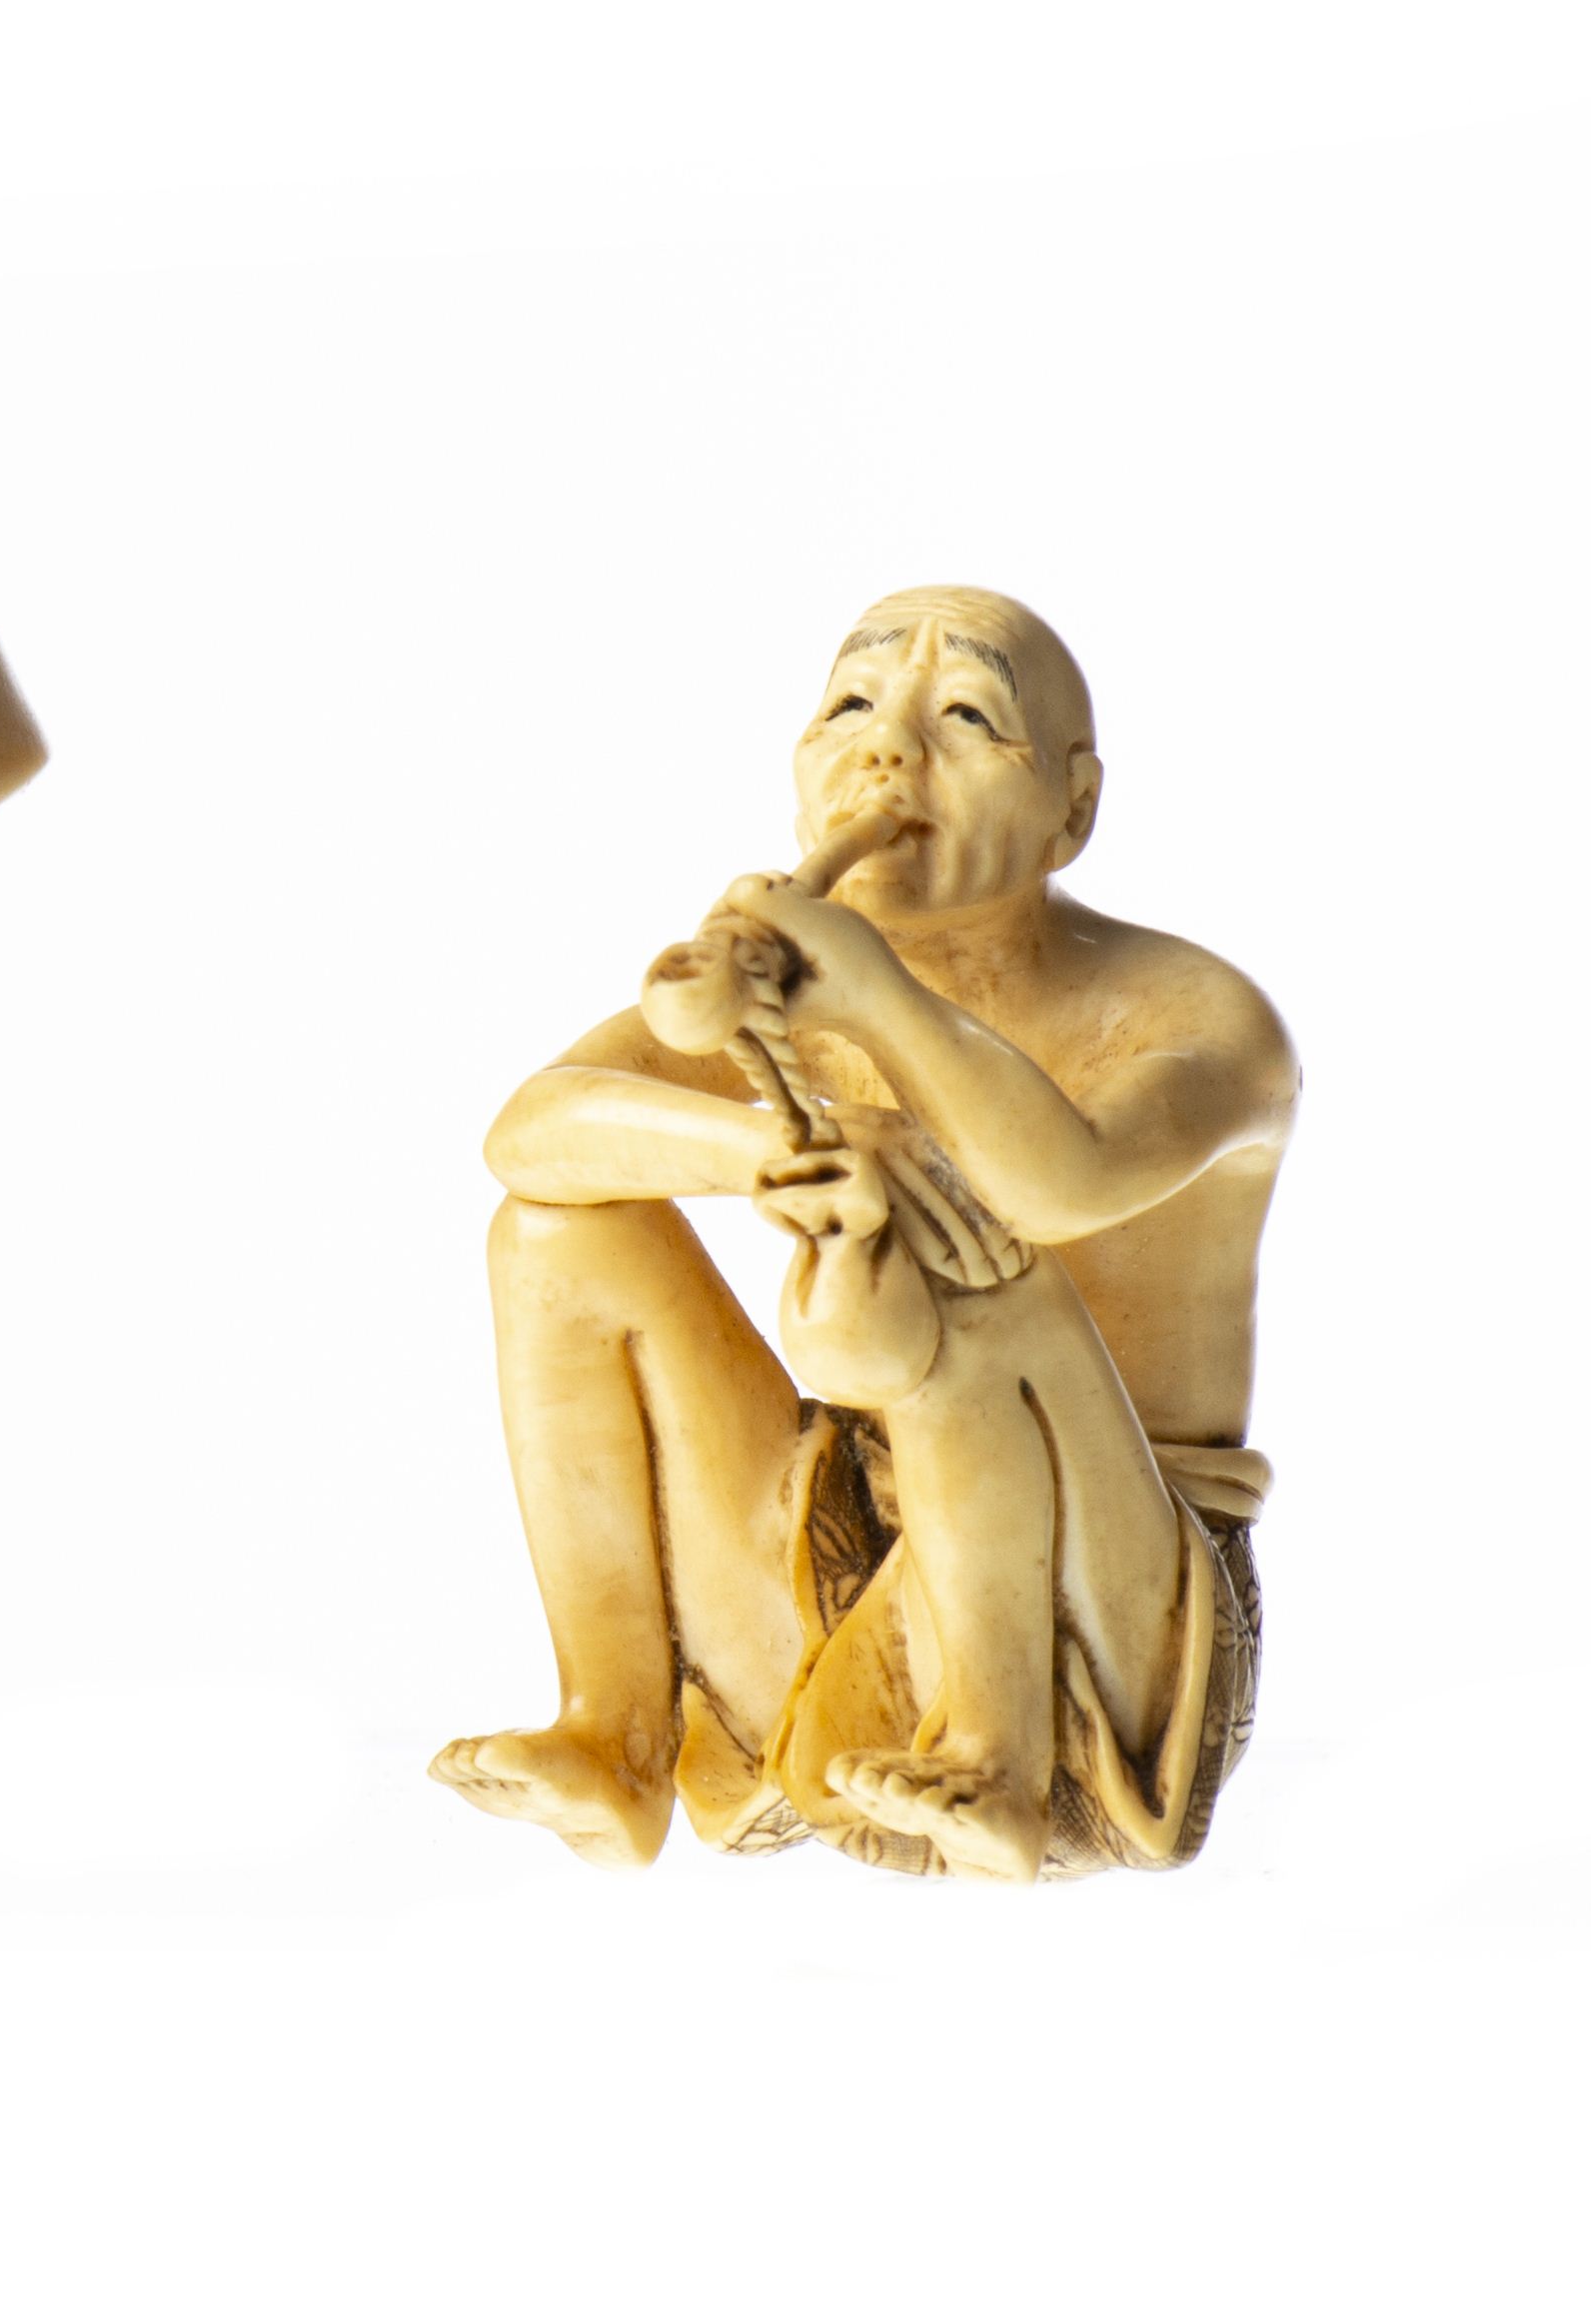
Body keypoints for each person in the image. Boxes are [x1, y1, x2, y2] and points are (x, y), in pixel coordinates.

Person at [434, 586, 1294, 1880]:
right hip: (841, 1586)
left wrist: (881, 1004)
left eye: (967, 717)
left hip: (1107, 1616)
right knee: (551, 1235)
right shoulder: (787, 994)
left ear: (1071, 808)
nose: (888, 748)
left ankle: (997, 1759)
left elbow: (1056, 1185)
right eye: (850, 705)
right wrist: (777, 1150)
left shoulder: (1197, 1016)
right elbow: (529, 1133)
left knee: (959, 1248)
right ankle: (617, 1731)